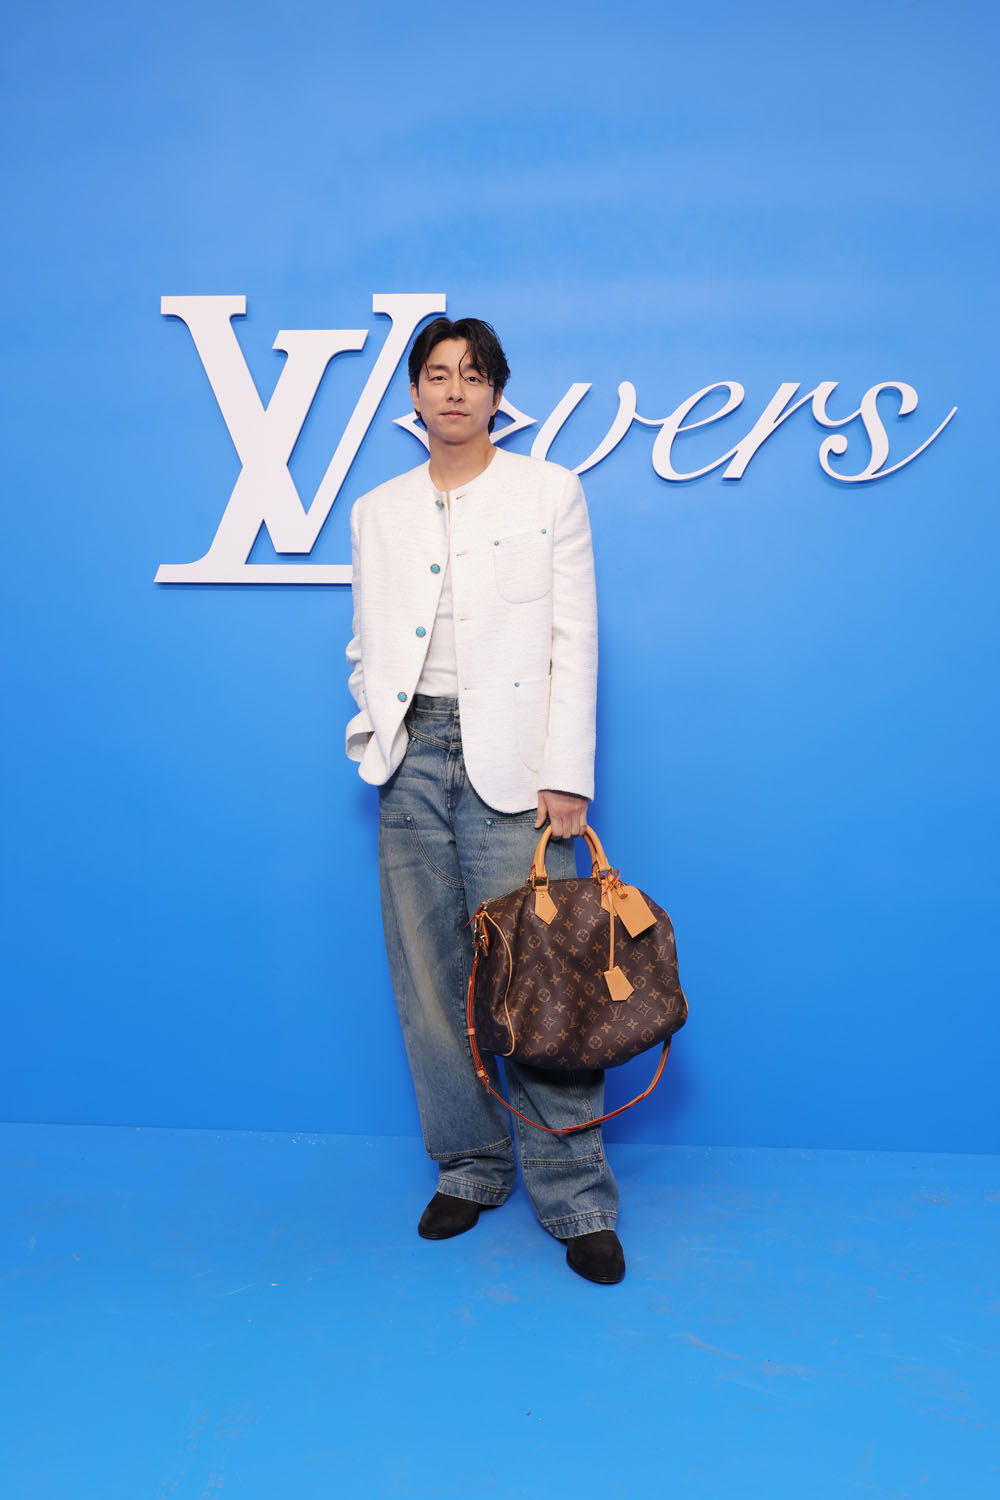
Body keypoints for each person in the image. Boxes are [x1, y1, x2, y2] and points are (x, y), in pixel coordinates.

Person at [344, 317, 624, 1284]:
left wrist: (567, 772)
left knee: (540, 983)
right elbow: (366, 638)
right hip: (411, 756)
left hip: (517, 764)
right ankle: (469, 1166)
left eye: (472, 375)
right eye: (436, 374)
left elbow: (575, 638)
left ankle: (576, 1197)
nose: (454, 390)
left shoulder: (550, 490)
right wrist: (375, 728)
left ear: (498, 393)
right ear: (414, 395)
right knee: (433, 982)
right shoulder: (377, 511)